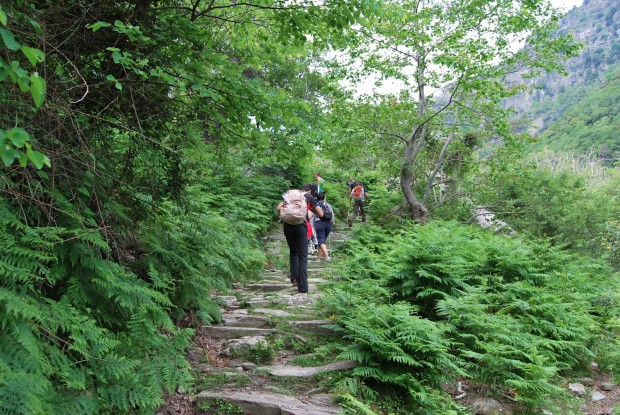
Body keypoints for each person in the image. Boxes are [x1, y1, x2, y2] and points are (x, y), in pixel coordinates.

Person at [276, 184, 323, 294]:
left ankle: (294, 278)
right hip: (301, 226)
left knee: (293, 252)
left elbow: (279, 208)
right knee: (303, 256)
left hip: (288, 226)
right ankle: (302, 287)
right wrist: (311, 211)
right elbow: (320, 213)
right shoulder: (309, 198)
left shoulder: (289, 196)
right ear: (309, 191)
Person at [314, 192, 334, 262]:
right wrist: (332, 223)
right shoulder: (328, 205)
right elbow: (332, 215)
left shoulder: (316, 204)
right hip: (328, 224)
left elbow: (311, 215)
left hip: (319, 223)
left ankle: (327, 257)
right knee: (322, 241)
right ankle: (318, 258)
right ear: (324, 197)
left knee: (321, 240)